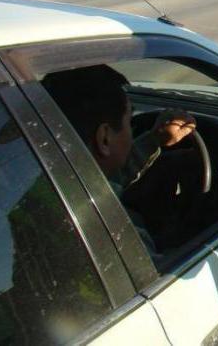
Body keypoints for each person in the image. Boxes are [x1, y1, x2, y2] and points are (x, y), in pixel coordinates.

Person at [42, 65, 205, 253]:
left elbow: (106, 178)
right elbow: (162, 272)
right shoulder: (109, 228)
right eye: (129, 122)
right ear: (104, 138)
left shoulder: (49, 176)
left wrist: (154, 141)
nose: (131, 130)